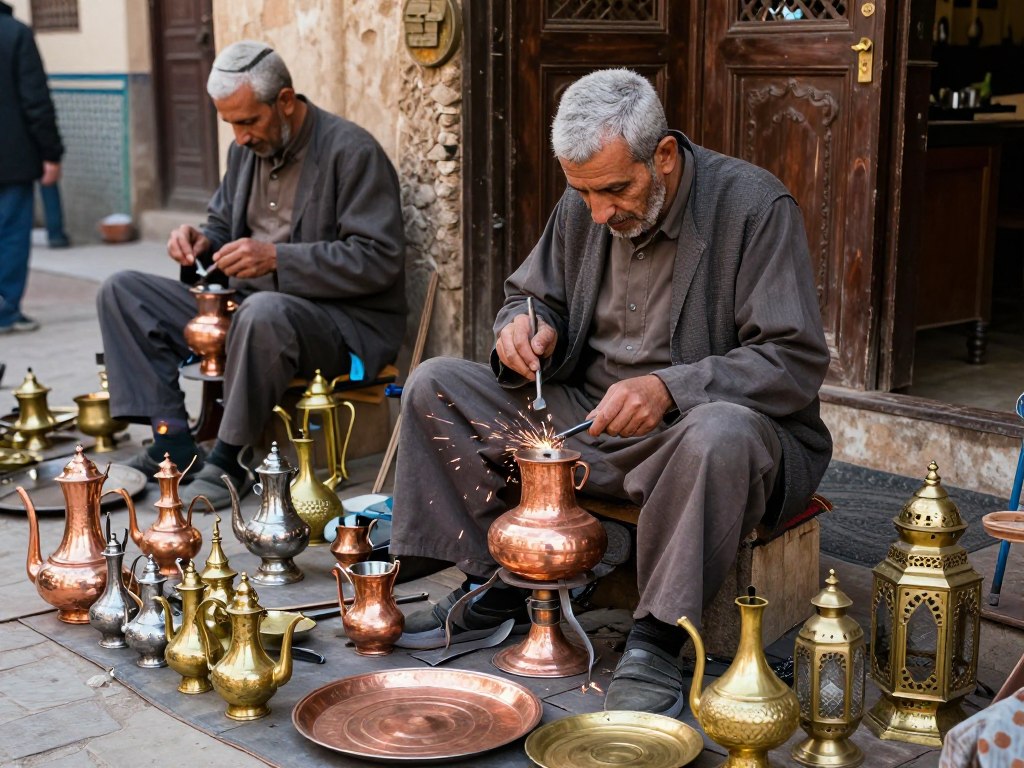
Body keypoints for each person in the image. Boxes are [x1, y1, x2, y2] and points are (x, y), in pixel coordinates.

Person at [389, 69, 832, 716]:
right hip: (590, 422)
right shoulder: (586, 203)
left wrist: (670, 388)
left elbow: (792, 360)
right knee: (436, 383)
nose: (599, 212)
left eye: (616, 191)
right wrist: (523, 327)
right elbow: (531, 294)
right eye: (584, 194)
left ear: (666, 156)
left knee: (718, 434)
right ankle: (509, 580)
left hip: (699, 435)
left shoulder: (754, 208)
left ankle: (656, 639)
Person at [98, 40, 406, 508]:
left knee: (263, 312)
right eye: (230, 125)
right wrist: (200, 240)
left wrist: (278, 258)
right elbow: (222, 225)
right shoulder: (244, 151)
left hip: (336, 324)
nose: (240, 136)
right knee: (122, 291)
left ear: (285, 100)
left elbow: (378, 259)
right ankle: (173, 441)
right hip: (247, 307)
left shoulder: (351, 151)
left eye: (247, 122)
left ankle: (231, 456)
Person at [0, 1, 62, 335]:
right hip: (11, 159)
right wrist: (51, 153)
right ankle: (5, 311)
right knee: (9, 235)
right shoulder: (15, 33)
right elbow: (35, 99)